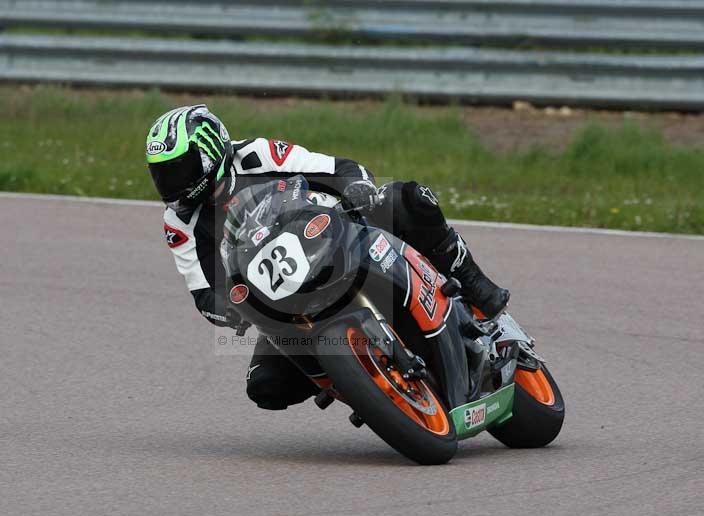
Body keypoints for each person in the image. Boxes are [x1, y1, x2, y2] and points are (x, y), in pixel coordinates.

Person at [147, 104, 509, 410]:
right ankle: (362, 385)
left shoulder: (256, 154)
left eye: (179, 170)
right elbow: (203, 290)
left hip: (336, 237)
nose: (171, 184)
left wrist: (357, 188)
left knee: (407, 200)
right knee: (265, 386)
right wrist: (227, 309)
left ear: (209, 152)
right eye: (162, 175)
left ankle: (472, 282)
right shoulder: (178, 222)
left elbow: (338, 168)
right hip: (284, 301)